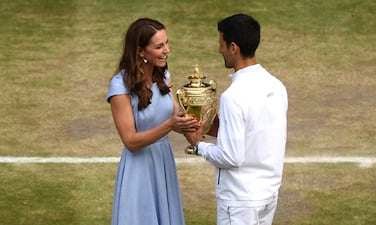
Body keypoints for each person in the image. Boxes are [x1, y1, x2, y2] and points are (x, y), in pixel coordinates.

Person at [184, 14, 288, 225]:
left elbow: (231, 157)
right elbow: (256, 131)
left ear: (234, 47)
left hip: (240, 200)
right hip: (268, 194)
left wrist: (198, 145)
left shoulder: (233, 97)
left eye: (221, 44)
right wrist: (219, 130)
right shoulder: (277, 86)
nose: (219, 49)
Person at [106, 18, 198, 225]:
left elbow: (177, 113)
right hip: (138, 167)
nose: (167, 50)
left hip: (163, 161)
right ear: (140, 51)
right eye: (159, 46)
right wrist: (169, 126)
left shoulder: (164, 76)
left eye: (166, 43)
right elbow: (130, 141)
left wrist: (199, 116)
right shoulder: (120, 86)